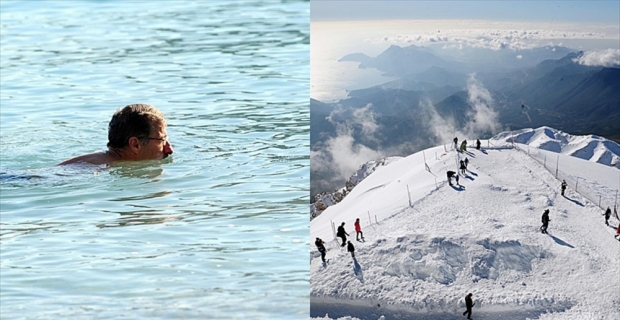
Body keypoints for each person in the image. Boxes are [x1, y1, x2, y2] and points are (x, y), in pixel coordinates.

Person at [58, 104, 174, 165]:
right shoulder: (90, 170)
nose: (169, 149)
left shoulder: (100, 163)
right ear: (135, 145)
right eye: (161, 140)